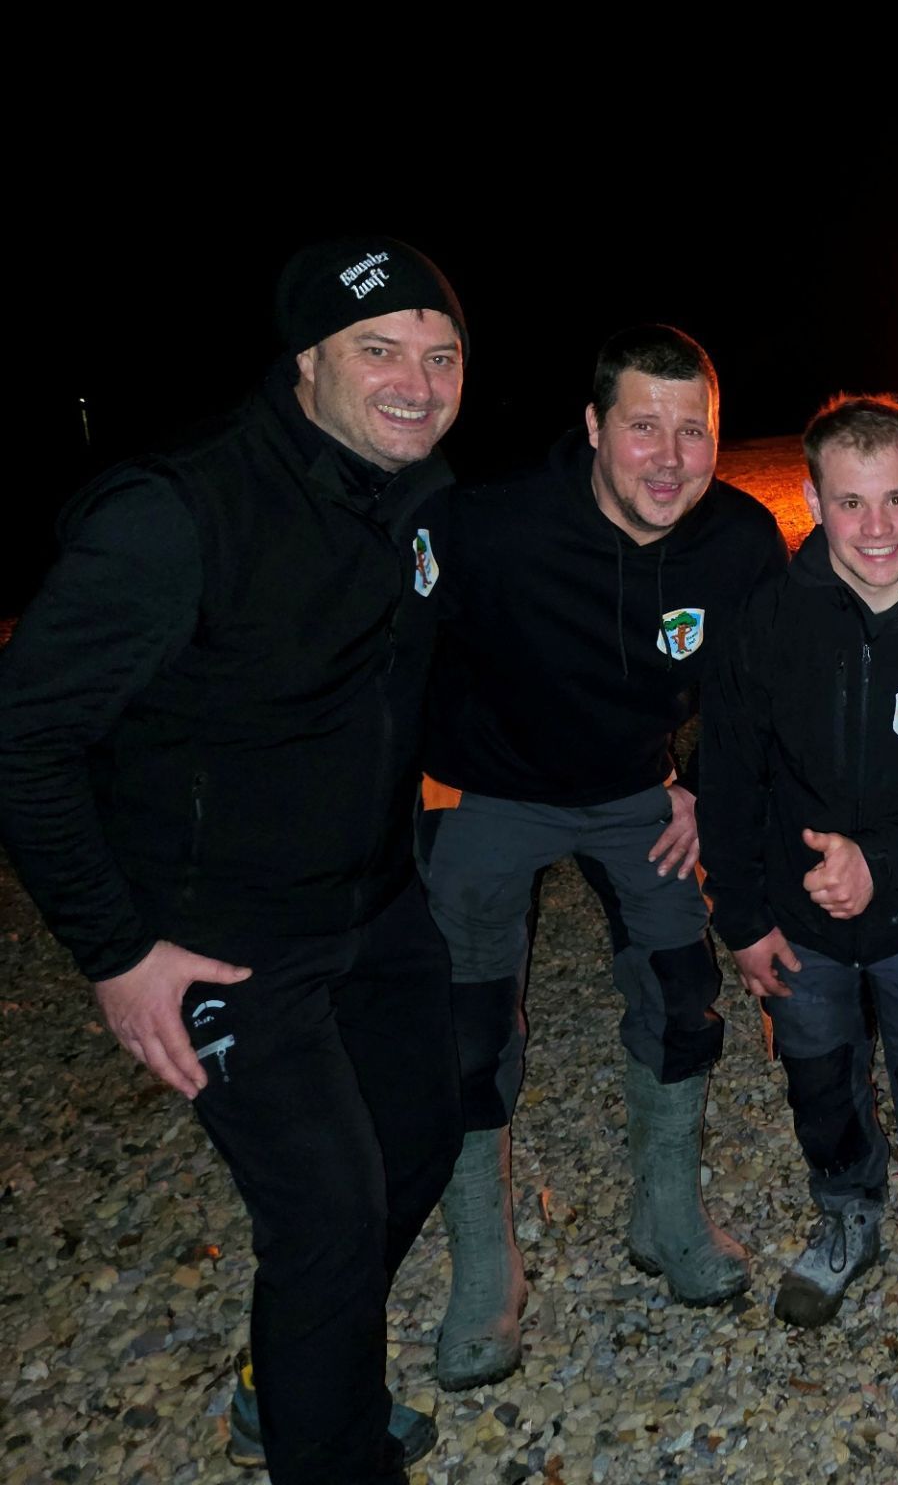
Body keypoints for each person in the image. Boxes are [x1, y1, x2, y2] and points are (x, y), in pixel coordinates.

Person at [0, 237, 470, 1482]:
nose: (415, 382)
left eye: (440, 355)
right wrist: (115, 952)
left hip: (376, 907)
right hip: (222, 943)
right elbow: (24, 740)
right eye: (378, 351)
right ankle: (327, 1442)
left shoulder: (414, 499)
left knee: (423, 1136)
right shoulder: (179, 514)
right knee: (324, 1217)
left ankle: (291, 1368)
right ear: (308, 361)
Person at [414, 325, 786, 1388]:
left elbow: (754, 695)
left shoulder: (738, 540)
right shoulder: (485, 526)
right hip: (486, 789)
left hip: (633, 793)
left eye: (691, 431)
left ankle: (664, 1213)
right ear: (590, 428)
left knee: (682, 997)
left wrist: (705, 792)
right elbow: (389, 664)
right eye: (640, 428)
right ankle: (486, 1268)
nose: (668, 459)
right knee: (469, 1027)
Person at [700, 394, 898, 1437]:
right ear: (811, 502)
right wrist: (742, 921)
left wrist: (879, 865)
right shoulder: (767, 621)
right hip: (799, 934)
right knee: (818, 1082)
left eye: (896, 500)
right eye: (849, 504)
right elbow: (729, 780)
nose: (877, 529)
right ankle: (845, 1217)